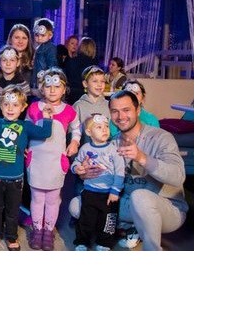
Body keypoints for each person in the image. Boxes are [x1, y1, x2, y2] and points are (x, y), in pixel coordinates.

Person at [78, 91, 187, 251]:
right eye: (115, 111)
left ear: (138, 110)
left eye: (126, 110)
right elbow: (106, 180)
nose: (120, 116)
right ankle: (130, 227)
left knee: (140, 197)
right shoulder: (112, 143)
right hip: (128, 203)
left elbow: (178, 177)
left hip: (167, 208)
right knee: (77, 205)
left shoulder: (161, 137)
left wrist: (142, 157)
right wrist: (86, 174)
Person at [0, 86, 53, 250]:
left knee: (12, 211)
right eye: (6, 104)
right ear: (1, 106)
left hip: (15, 180)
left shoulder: (25, 126)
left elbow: (44, 133)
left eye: (15, 105)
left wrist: (46, 118)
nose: (10, 108)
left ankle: (11, 237)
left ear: (23, 107)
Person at [26, 67, 81, 250]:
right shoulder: (34, 108)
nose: (52, 90)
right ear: (42, 88)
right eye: (48, 86)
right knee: (37, 197)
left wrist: (74, 142)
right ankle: (37, 230)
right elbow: (25, 128)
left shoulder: (69, 110)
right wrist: (23, 145)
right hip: (37, 160)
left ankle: (48, 231)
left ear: (64, 89)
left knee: (53, 199)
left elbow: (77, 129)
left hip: (56, 162)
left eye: (57, 86)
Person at [71, 114, 125, 251]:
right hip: (90, 191)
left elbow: (120, 171)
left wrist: (115, 191)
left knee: (108, 220)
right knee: (86, 219)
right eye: (99, 127)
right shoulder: (85, 148)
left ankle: (105, 243)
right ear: (89, 132)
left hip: (109, 193)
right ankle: (82, 241)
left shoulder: (113, 149)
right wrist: (76, 168)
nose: (104, 129)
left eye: (106, 126)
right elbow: (77, 162)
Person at [0, 45, 31, 118]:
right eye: (4, 60)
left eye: (12, 60)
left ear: (18, 62)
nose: (8, 64)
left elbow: (26, 109)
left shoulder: (24, 85)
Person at [73, 65, 111, 146]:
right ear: (85, 83)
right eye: (95, 81)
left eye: (102, 81)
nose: (99, 84)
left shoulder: (108, 105)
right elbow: (73, 132)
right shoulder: (78, 106)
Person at [64, 37, 100, 104]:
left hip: (72, 94)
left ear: (80, 47)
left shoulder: (71, 61)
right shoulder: (94, 64)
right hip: (87, 94)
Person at [31, 18, 58, 95]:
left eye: (43, 35)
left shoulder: (51, 48)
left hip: (44, 81)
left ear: (50, 35)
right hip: (38, 81)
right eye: (37, 35)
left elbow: (52, 66)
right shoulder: (38, 48)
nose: (39, 38)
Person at [6, 24, 35, 89]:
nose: (20, 41)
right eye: (17, 37)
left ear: (28, 41)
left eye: (24, 38)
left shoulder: (34, 58)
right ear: (10, 39)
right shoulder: (2, 59)